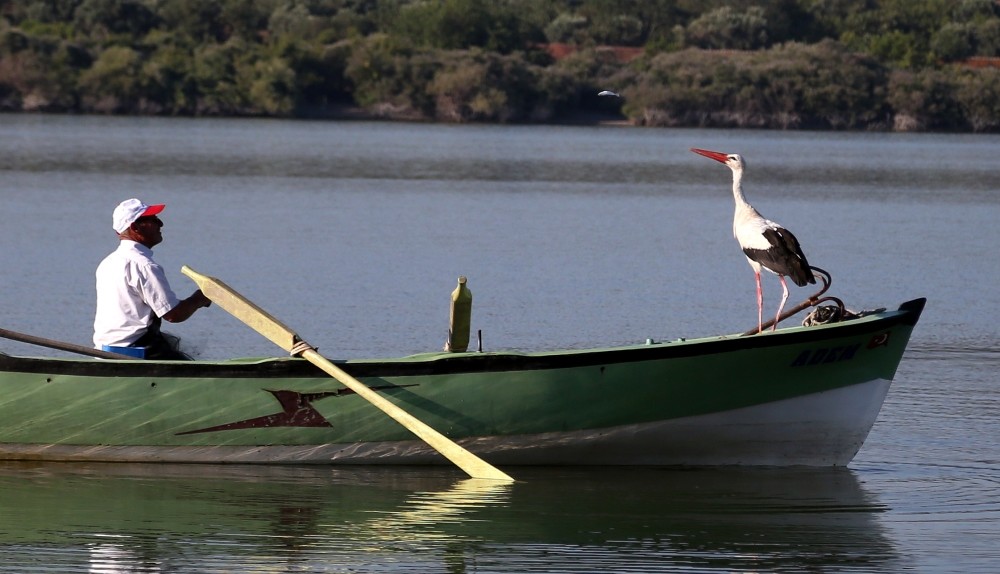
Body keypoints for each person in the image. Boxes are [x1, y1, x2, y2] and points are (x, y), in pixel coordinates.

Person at [93, 198, 211, 360]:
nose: (160, 223)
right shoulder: (144, 265)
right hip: (135, 350)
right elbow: (174, 315)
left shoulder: (108, 262)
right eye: (152, 220)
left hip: (103, 349)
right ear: (135, 227)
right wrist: (200, 298)